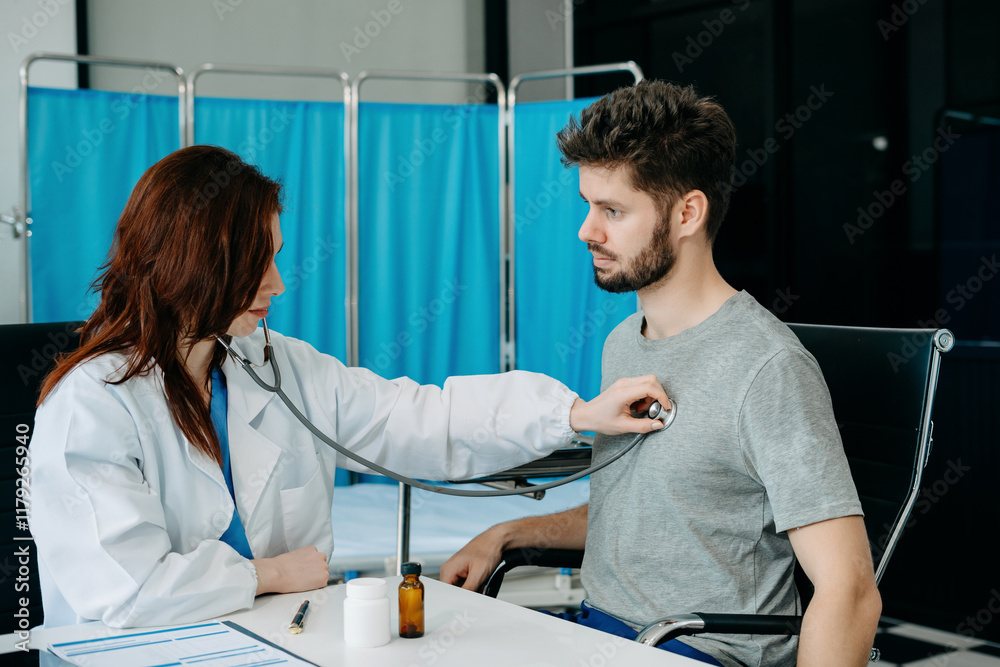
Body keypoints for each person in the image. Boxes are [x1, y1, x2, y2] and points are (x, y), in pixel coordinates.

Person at [28, 145, 670, 629]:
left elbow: (419, 418)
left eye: (275, 257)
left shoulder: (271, 367)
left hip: (278, 637)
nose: (277, 284)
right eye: (258, 263)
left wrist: (573, 414)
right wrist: (268, 574)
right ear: (196, 263)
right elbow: (129, 591)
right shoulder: (91, 407)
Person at [440, 81, 882, 667]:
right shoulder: (624, 343)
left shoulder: (769, 369)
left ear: (687, 213)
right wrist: (508, 534)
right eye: (588, 205)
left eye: (613, 211)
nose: (587, 231)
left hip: (694, 649)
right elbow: (640, 512)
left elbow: (850, 591)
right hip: (600, 635)